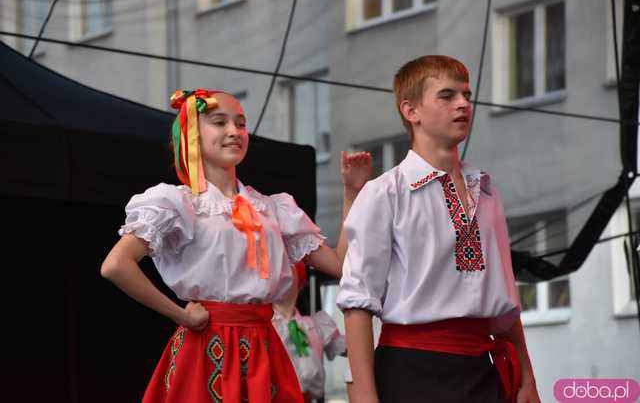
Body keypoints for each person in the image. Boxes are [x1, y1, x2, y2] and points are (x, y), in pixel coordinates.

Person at [100, 89, 371, 403]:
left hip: (263, 346)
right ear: (193, 135)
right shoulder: (179, 204)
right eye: (220, 122)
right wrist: (181, 316)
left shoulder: (273, 208)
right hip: (206, 346)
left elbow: (340, 265)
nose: (234, 131)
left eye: (241, 124)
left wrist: (353, 193)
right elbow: (116, 265)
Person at [336, 56, 541, 403]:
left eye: (467, 94)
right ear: (411, 111)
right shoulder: (386, 192)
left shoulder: (487, 190)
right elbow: (357, 303)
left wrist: (527, 379)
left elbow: (504, 303)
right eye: (447, 96)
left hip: (482, 368)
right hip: (411, 371)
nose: (463, 104)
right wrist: (366, 398)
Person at [272, 262, 347, 402]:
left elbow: (346, 348)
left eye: (288, 271)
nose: (283, 277)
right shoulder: (266, 327)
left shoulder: (316, 325)